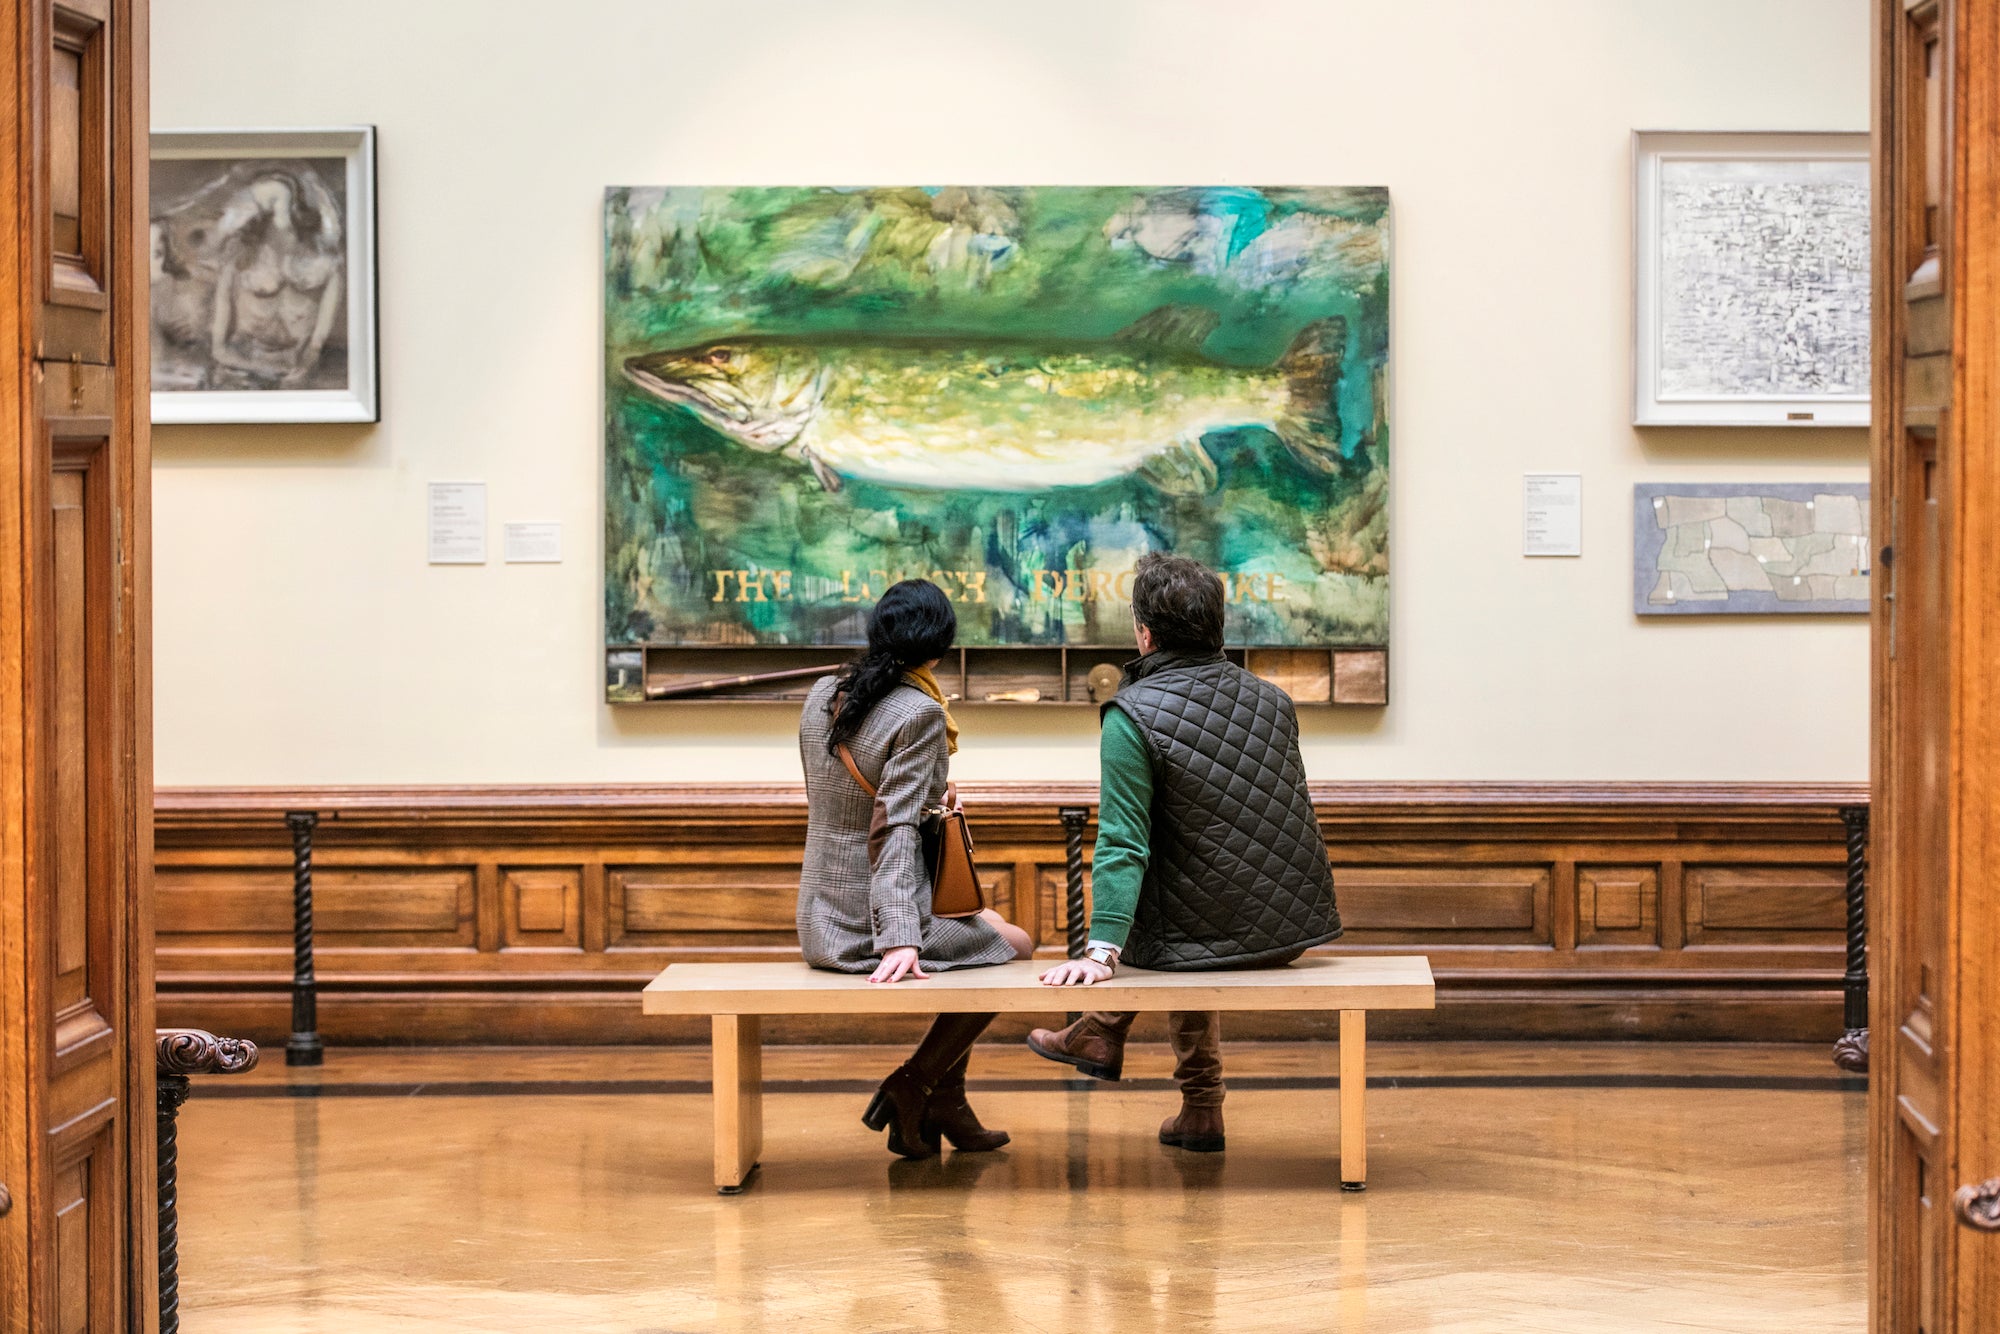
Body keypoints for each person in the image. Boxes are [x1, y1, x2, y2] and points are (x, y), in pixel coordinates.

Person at [1030, 553, 1342, 1152]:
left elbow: (1122, 840)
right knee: (1186, 888)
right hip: (1290, 926)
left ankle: (1099, 1031)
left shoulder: (1131, 713)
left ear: (1144, 634)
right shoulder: (1273, 700)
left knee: (1169, 907)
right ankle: (1198, 1107)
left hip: (1204, 937)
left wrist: (1100, 953)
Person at [797, 579, 1032, 1159]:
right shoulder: (921, 711)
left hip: (820, 911)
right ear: (938, 649)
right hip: (868, 924)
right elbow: (894, 830)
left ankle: (944, 1100)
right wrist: (898, 938)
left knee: (991, 926)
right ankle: (919, 1083)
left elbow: (841, 802)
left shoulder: (824, 691)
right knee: (1019, 944)